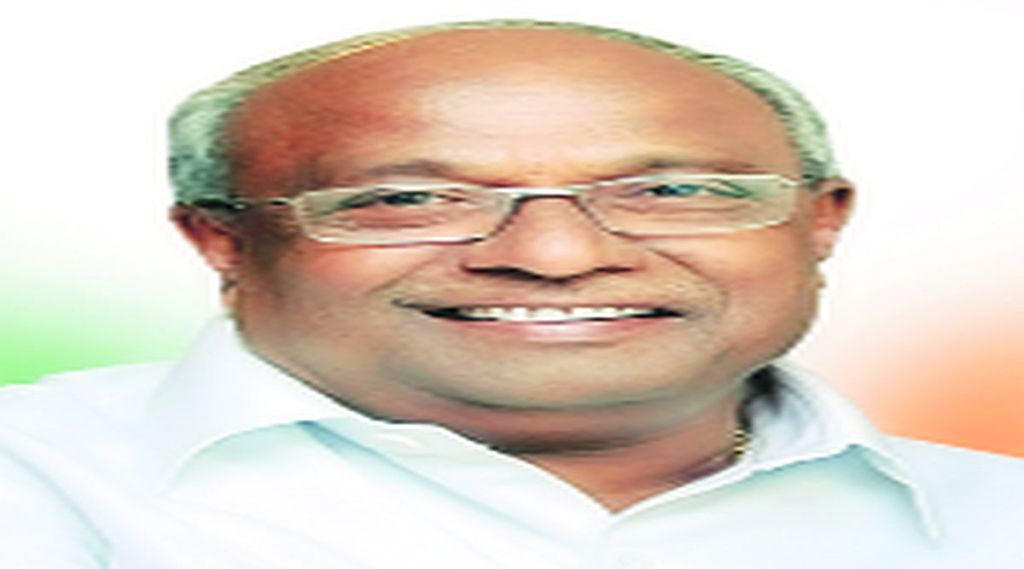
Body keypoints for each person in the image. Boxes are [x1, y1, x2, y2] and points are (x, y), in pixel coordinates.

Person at [1, 19, 1020, 568]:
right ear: (221, 239)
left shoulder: (997, 515)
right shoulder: (36, 484)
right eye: (409, 198)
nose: (555, 256)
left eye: (671, 191)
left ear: (820, 221)